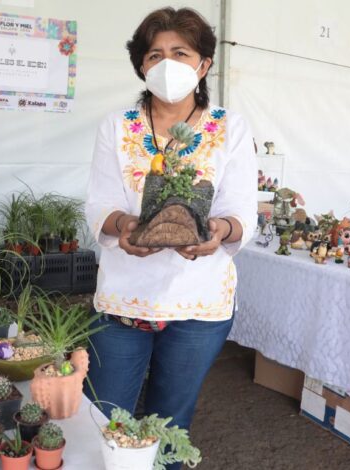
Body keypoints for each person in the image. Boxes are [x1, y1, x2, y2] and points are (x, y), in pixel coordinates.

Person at [83, 7, 257, 468]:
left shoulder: (230, 127)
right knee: (103, 418)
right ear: (142, 65)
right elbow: (99, 203)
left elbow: (241, 209)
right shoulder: (118, 126)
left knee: (171, 422)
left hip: (199, 301)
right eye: (155, 54)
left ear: (203, 64)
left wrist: (219, 231)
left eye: (180, 52)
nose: (166, 63)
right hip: (124, 298)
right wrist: (123, 227)